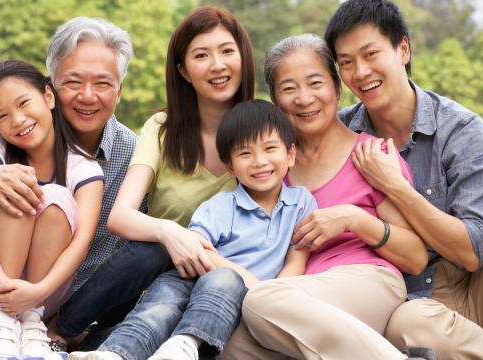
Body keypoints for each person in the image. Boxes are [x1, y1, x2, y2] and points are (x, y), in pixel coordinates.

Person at [0, 17, 171, 347]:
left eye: (103, 84)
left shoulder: (132, 155)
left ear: (119, 91)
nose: (87, 96)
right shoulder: (16, 122)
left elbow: (135, 246)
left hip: (46, 307)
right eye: (73, 82)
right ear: (50, 87)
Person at [324, 0, 483, 359]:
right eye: (347, 62)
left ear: (403, 49)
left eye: (370, 54)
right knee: (410, 325)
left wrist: (396, 188)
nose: (361, 71)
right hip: (413, 305)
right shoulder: (339, 135)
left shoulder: (461, 129)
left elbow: (474, 251)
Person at [48, 5, 256, 352]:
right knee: (153, 250)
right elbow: (120, 216)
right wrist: (170, 232)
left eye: (227, 51)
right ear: (183, 70)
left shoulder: (264, 133)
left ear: (244, 58)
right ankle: (63, 328)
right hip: (156, 274)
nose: (217, 65)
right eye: (201, 55)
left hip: (221, 280)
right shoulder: (162, 130)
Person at [222, 34, 432, 360]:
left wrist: (355, 220)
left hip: (368, 282)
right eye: (289, 89)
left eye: (315, 83)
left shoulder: (371, 155)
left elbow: (416, 257)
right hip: (294, 298)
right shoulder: (270, 170)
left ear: (336, 88)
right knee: (232, 341)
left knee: (261, 302)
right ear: (276, 101)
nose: (304, 98)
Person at [69, 99, 316, 360]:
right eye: (245, 153)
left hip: (235, 296)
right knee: (158, 310)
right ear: (230, 167)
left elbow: (296, 259)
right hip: (190, 277)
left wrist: (270, 295)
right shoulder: (223, 204)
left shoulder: (301, 203)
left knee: (224, 283)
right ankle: (114, 353)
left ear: (290, 154)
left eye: (269, 149)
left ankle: (184, 345)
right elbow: (199, 250)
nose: (259, 161)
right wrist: (250, 281)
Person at [0, 59, 104, 358]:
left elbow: (82, 241)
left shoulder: (83, 167)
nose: (17, 120)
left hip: (44, 290)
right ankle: (4, 318)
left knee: (54, 197)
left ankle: (30, 321)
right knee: (16, 183)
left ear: (48, 96)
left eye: (23, 104)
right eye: (3, 116)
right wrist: (2, 289)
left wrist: (37, 293)